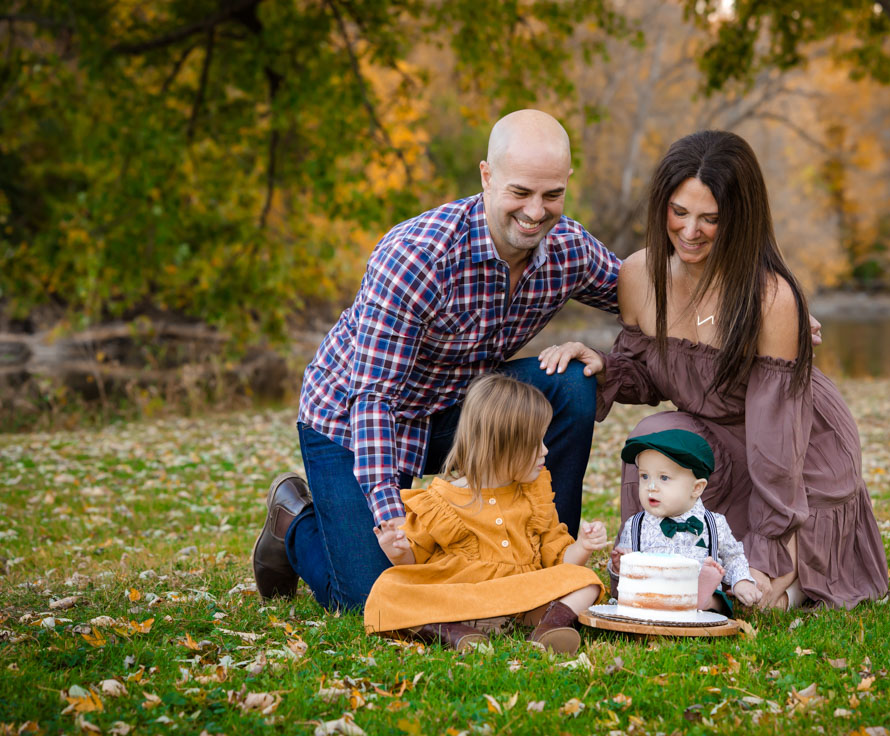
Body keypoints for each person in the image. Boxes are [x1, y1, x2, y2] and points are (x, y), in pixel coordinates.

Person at [253, 110, 621, 612]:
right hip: (356, 418)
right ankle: (294, 521)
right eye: (520, 192)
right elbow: (374, 397)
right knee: (374, 598)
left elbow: (646, 300)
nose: (536, 212)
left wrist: (608, 356)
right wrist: (388, 517)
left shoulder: (567, 249)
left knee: (572, 381)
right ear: (486, 177)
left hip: (461, 412)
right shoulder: (419, 257)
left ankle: (549, 569)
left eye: (551, 194)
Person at [539, 129, 890, 611]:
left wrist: (767, 555)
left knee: (754, 599)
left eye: (711, 218)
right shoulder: (639, 275)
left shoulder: (770, 297)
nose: (689, 230)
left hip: (797, 449)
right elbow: (655, 375)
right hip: (714, 439)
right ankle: (649, 564)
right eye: (678, 211)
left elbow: (775, 447)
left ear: (740, 220)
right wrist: (607, 369)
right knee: (655, 434)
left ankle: (794, 575)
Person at [363, 374, 606, 655]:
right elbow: (414, 562)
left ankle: (550, 628)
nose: (545, 450)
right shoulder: (441, 500)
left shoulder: (534, 495)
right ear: (502, 446)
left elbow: (560, 561)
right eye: (535, 442)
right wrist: (397, 552)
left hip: (523, 601)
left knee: (586, 581)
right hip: (462, 603)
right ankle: (451, 631)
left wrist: (583, 547)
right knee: (389, 590)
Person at [608, 429, 762, 612]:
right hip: (652, 595)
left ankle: (703, 598)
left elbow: (733, 558)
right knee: (636, 595)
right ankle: (684, 602)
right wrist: (619, 566)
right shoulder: (635, 524)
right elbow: (629, 569)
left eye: (664, 478)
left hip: (696, 594)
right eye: (644, 476)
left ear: (697, 488)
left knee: (716, 597)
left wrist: (742, 581)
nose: (651, 487)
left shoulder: (714, 524)